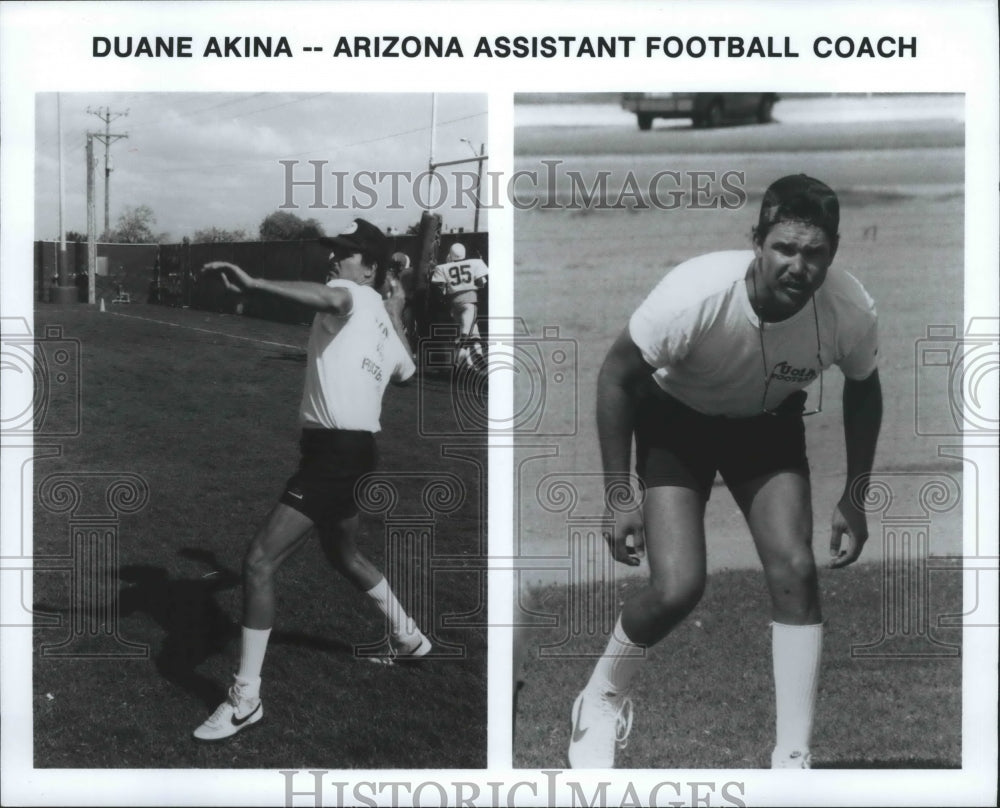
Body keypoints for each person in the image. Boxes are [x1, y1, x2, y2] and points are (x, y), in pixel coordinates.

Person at [567, 174, 882, 769]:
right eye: (784, 248)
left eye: (814, 253)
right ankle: (600, 699)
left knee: (795, 568)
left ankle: (792, 757)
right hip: (675, 420)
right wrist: (618, 494)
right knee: (678, 588)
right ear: (757, 242)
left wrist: (856, 496)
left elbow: (864, 390)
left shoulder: (850, 309)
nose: (798, 266)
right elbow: (616, 378)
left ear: (832, 252)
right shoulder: (696, 295)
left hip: (765, 424)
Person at [192, 217, 429, 742]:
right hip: (358, 451)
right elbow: (407, 372)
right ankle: (409, 638)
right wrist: (396, 313)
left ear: (367, 267)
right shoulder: (383, 317)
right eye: (335, 252)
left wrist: (255, 285)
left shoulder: (350, 293)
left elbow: (330, 298)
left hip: (333, 456)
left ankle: (245, 699)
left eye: (345, 253)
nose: (334, 259)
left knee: (258, 561)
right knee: (343, 554)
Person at [429, 243, 488, 369]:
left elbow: (440, 289)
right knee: (466, 334)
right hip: (469, 302)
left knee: (472, 332)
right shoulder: (475, 263)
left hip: (454, 304)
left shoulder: (443, 267)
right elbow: (481, 284)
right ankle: (458, 360)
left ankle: (472, 362)